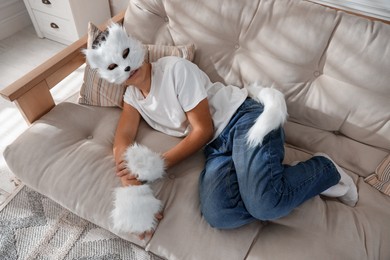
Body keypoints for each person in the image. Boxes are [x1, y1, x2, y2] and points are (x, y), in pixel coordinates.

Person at [112, 55, 358, 232]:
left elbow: (203, 129)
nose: (126, 66)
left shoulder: (175, 69)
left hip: (242, 118)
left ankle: (325, 169)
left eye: (126, 54)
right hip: (216, 148)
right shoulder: (132, 97)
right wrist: (131, 185)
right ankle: (269, 185)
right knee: (219, 215)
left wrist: (155, 166)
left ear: (138, 49)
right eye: (114, 66)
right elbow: (122, 139)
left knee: (265, 204)